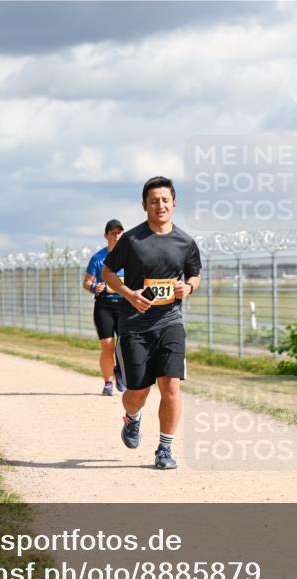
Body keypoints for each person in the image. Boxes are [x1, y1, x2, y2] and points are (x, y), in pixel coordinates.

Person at [101, 176, 201, 470]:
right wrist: (128, 294)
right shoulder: (132, 239)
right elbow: (108, 273)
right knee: (137, 393)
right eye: (154, 201)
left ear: (174, 202)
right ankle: (132, 418)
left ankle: (165, 449)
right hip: (134, 325)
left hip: (170, 322)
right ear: (145, 205)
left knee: (171, 386)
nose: (160, 205)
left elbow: (195, 273)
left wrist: (189, 287)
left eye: (165, 200)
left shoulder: (186, 242)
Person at [83, 219, 127, 396]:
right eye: (113, 233)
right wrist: (94, 287)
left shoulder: (129, 257)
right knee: (107, 346)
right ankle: (108, 382)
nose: (116, 236)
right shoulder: (98, 258)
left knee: (124, 345)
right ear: (106, 236)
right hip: (104, 306)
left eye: (119, 233)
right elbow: (86, 282)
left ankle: (121, 373)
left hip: (125, 305)